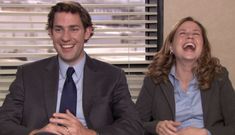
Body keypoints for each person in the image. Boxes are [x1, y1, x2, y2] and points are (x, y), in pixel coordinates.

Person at [0, 1, 143, 135]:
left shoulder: (112, 76)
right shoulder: (28, 75)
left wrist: (89, 133)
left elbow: (133, 125)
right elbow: (3, 122)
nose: (65, 38)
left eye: (74, 29)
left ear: (87, 32)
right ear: (50, 32)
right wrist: (35, 133)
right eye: (58, 29)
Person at [136, 16, 235, 135]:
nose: (190, 36)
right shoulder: (153, 79)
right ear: (171, 46)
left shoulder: (219, 76)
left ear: (203, 48)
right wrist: (156, 126)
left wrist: (205, 133)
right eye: (182, 33)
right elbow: (135, 123)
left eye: (196, 34)